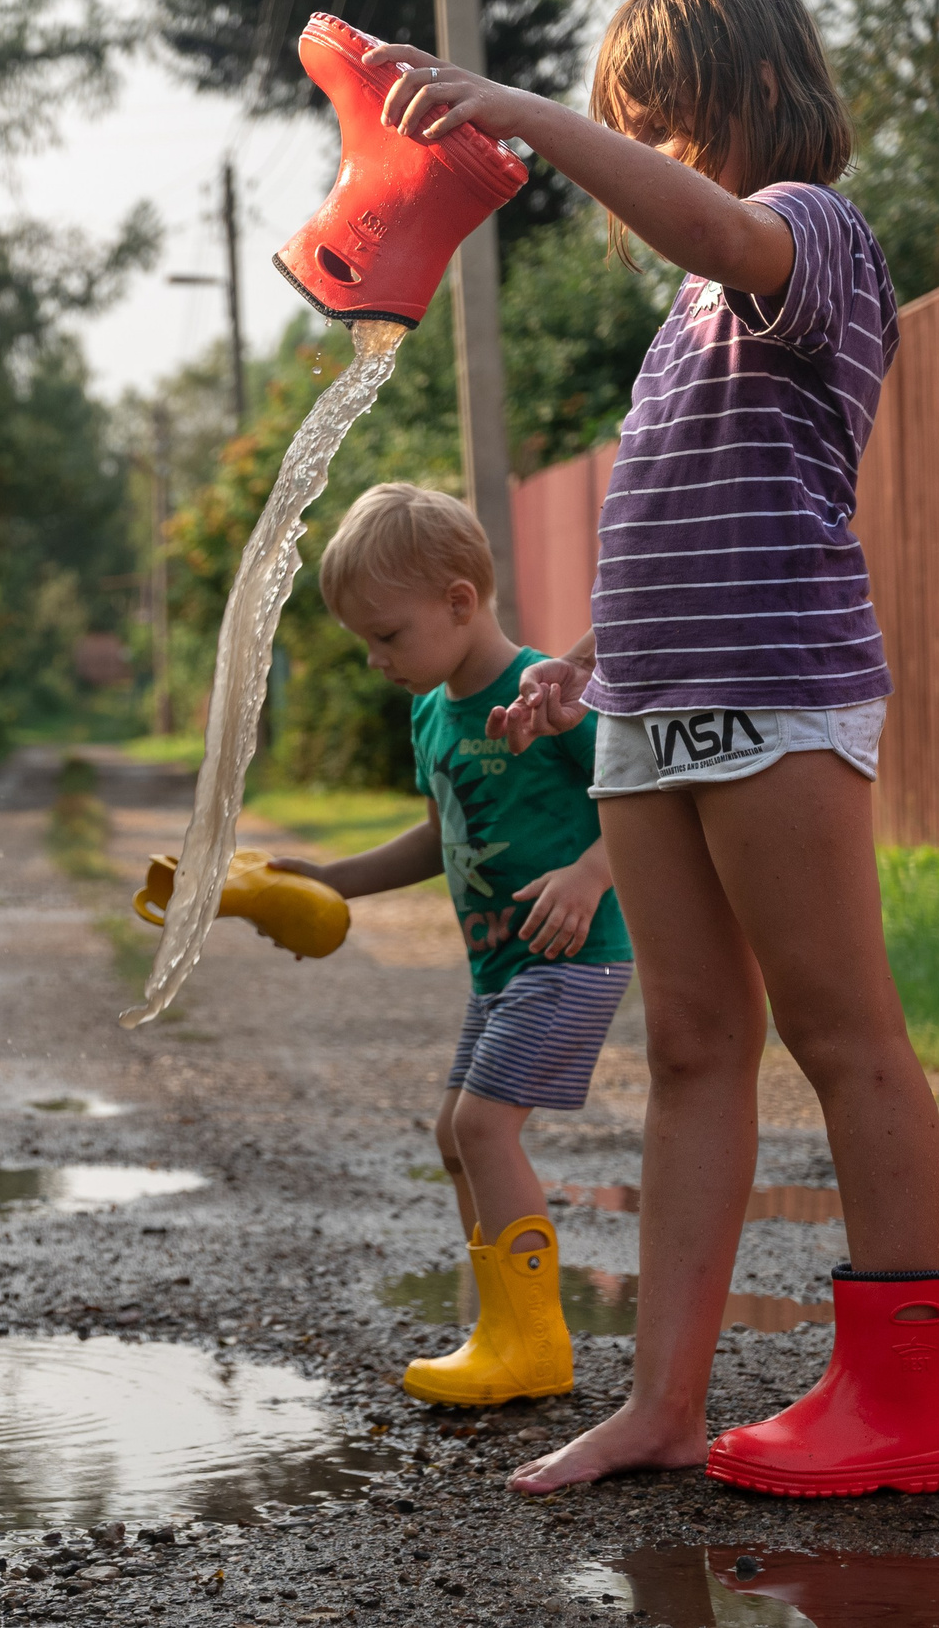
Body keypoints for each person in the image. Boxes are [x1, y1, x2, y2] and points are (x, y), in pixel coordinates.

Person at [369, 0, 939, 1498]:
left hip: (775, 695)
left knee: (843, 1032)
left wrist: (523, 113)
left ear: (738, 94)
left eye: (660, 121)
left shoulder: (814, 238)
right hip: (648, 711)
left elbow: (715, 220)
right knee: (698, 1046)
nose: (651, 151)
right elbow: (702, 505)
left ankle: (904, 1403)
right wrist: (590, 657)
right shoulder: (694, 312)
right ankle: (661, 1401)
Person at [272, 483, 632, 1408]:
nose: (374, 658)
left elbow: (642, 798)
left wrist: (591, 874)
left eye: (387, 635)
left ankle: (535, 1342)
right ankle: (499, 1328)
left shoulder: (551, 693)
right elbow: (443, 834)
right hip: (500, 965)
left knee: (482, 1126)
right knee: (453, 1135)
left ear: (459, 603)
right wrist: (333, 878)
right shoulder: (432, 712)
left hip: (570, 950)